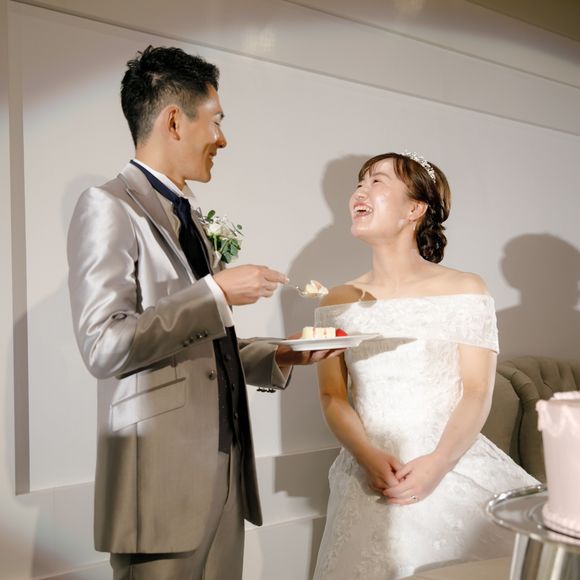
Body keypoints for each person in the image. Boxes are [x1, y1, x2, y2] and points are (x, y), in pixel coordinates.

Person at [67, 45, 339, 580]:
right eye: (216, 121)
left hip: (226, 471)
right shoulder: (107, 206)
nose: (222, 139)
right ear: (174, 121)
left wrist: (280, 354)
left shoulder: (190, 217)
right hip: (158, 486)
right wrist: (215, 293)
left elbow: (201, 347)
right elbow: (104, 345)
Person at [312, 152, 538, 579]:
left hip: (447, 462)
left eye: (377, 181)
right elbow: (332, 396)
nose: (360, 191)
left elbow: (477, 391)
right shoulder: (335, 301)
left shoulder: (466, 289)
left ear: (414, 209)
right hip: (367, 472)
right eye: (359, 182)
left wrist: (438, 464)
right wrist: (367, 456)